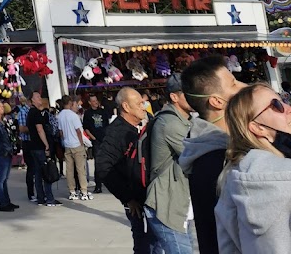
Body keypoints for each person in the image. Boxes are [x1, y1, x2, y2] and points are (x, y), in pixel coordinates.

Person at [180, 55, 245, 254]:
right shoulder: (218, 159)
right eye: (234, 84)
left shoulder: (210, 148)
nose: (243, 86)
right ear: (217, 101)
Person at [215, 83, 291, 254]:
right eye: (276, 105)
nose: (288, 108)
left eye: (283, 100)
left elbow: (228, 248)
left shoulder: (230, 180)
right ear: (258, 127)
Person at [95, 87, 151, 254]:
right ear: (126, 107)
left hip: (142, 197)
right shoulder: (117, 131)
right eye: (139, 103)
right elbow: (103, 166)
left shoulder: (131, 129)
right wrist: (128, 198)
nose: (144, 106)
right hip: (135, 200)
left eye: (143, 102)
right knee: (142, 243)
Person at [144, 74, 193, 254]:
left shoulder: (185, 120)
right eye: (188, 92)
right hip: (166, 204)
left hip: (176, 202)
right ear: (174, 96)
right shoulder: (170, 123)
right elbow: (198, 154)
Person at [26, 91, 60, 206]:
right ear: (32, 100)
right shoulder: (35, 113)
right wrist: (46, 144)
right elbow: (40, 130)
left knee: (38, 173)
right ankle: (49, 198)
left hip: (33, 146)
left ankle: (41, 198)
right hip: (39, 146)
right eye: (37, 97)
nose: (40, 98)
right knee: (46, 171)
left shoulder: (31, 113)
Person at [57, 96, 90, 201]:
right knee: (81, 169)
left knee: (70, 170)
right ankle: (84, 191)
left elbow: (61, 132)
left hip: (67, 145)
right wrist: (81, 144)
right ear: (70, 103)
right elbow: (78, 131)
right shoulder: (74, 116)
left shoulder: (60, 116)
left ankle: (72, 191)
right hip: (76, 144)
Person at [83, 94, 109, 194]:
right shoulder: (88, 113)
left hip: (105, 139)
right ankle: (98, 186)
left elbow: (107, 124)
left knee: (107, 162)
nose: (95, 102)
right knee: (98, 163)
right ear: (90, 102)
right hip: (96, 141)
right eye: (93, 101)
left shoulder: (103, 112)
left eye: (96, 100)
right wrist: (92, 137)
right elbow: (86, 127)